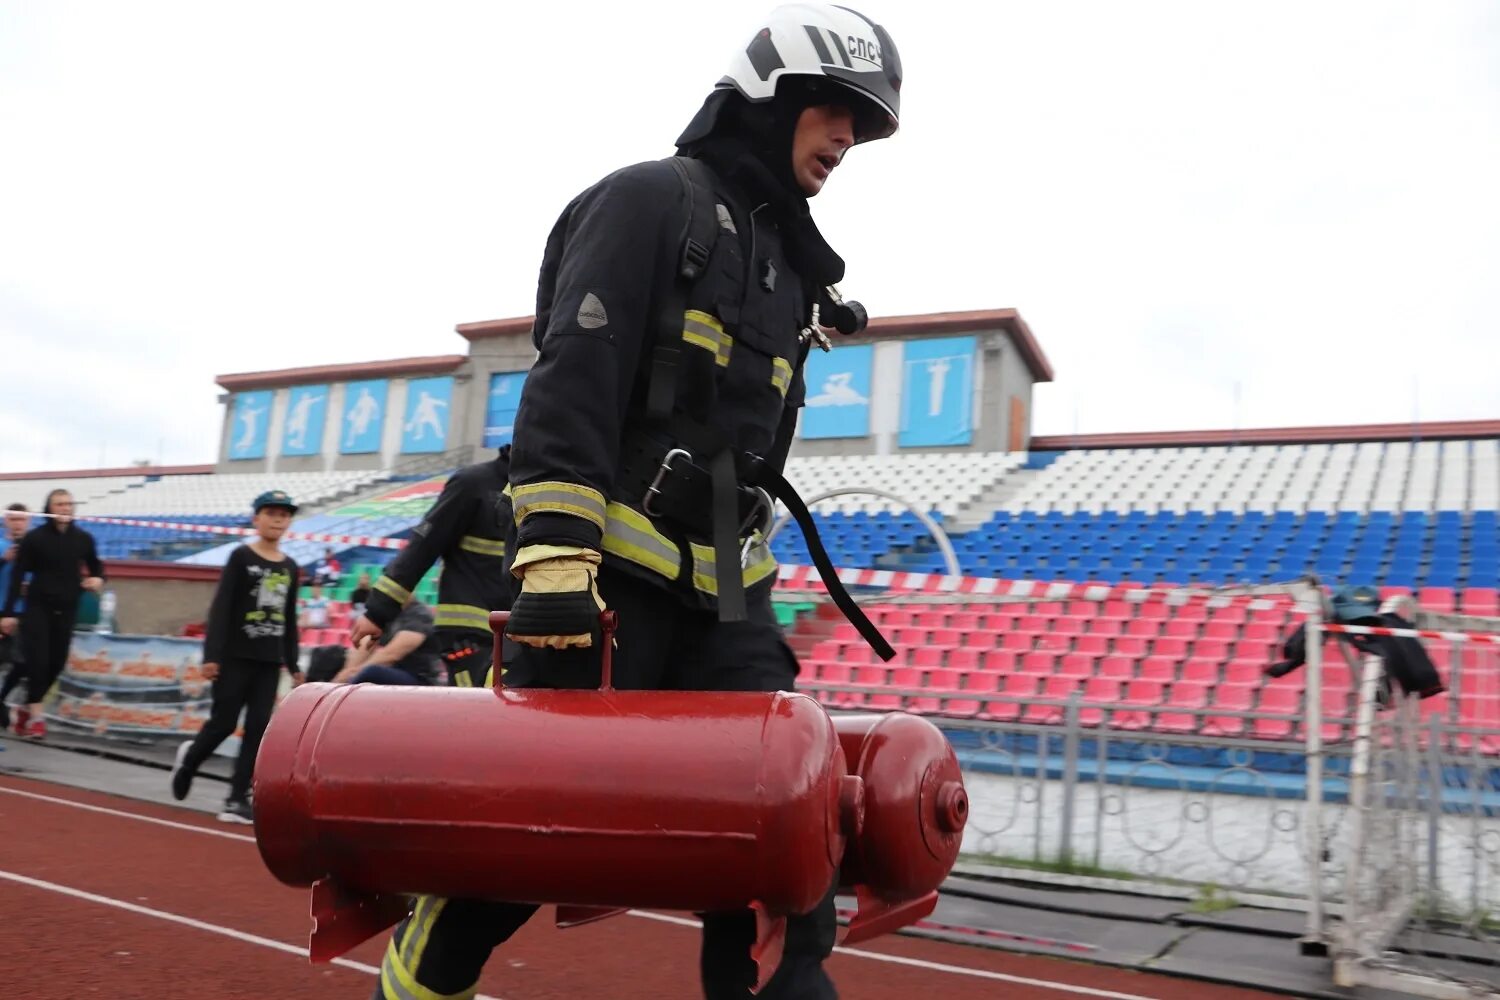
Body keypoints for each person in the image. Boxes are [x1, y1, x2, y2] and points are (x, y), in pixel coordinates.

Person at [372, 6, 902, 999]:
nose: (845, 141)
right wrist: (558, 566)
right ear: (771, 98)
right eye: (835, 112)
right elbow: (576, 378)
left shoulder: (791, 274)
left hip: (732, 610)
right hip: (605, 597)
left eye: (859, 129)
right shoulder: (648, 201)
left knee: (786, 859)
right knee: (510, 860)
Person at [170, 490, 304, 823]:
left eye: (284, 515)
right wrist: (211, 655)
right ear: (256, 518)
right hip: (234, 658)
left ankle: (236, 797)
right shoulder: (240, 557)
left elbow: (288, 617)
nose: (277, 519)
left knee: (259, 728)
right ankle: (189, 761)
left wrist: (294, 662)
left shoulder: (290, 567)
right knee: (224, 723)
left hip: (269, 661)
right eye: (271, 513)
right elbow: (221, 609)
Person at [349, 446, 513, 687]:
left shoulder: (545, 492)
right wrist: (377, 612)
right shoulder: (473, 484)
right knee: (479, 712)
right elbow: (423, 546)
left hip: (523, 633)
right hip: (472, 634)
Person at [0, 491, 104, 740]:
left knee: (56, 663)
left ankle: (26, 706)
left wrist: (98, 579)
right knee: (38, 661)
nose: (65, 508)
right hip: (37, 608)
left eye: (69, 504)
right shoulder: (35, 539)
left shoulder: (83, 538)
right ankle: (37, 717)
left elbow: (96, 565)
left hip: (67, 607)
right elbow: (17, 577)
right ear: (49, 507)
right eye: (59, 504)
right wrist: (9, 612)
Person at [335, 596, 443, 686]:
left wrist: (355, 672)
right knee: (333, 658)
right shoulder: (388, 612)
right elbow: (366, 644)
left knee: (371, 672)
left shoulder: (420, 616)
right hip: (395, 671)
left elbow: (392, 654)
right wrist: (347, 670)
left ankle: (341, 701)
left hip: (420, 677)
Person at [0, 503, 31, 731]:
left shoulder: (35, 548)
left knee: (24, 662)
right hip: (1, 610)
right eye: (14, 519)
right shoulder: (1, 546)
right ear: (5, 521)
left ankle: (2, 699)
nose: (18, 523)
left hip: (24, 612)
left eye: (22, 519)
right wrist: (4, 560)